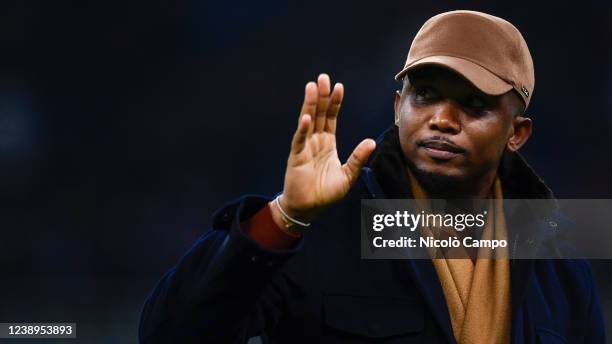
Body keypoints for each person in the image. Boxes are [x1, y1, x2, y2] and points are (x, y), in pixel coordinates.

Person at [139, 10, 605, 343]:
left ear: (517, 134)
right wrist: (285, 216)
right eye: (424, 95)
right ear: (396, 106)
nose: (442, 118)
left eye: (473, 104)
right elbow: (170, 333)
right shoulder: (316, 231)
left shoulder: (559, 267)